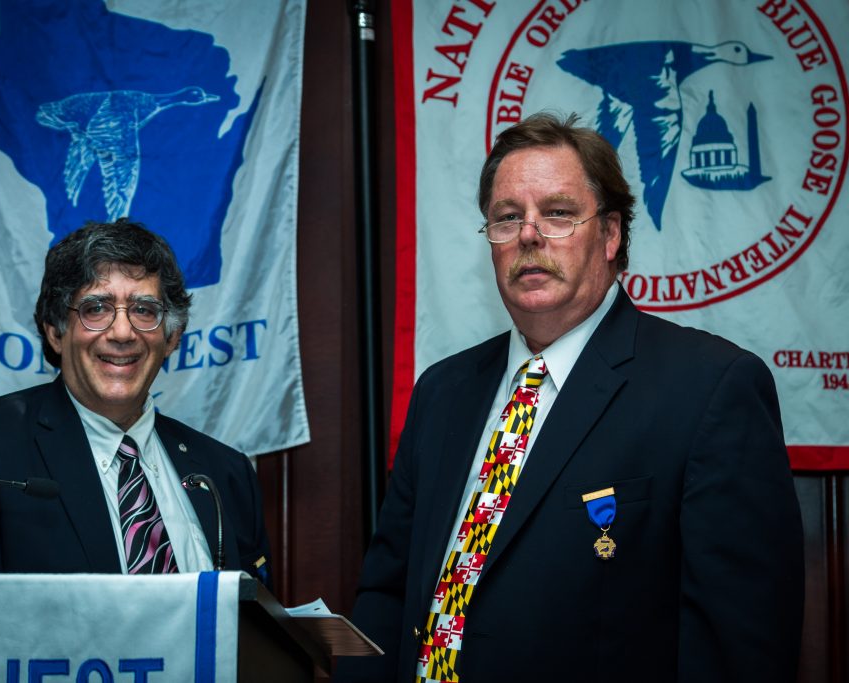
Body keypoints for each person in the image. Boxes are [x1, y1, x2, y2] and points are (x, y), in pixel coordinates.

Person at [336, 112, 803, 682]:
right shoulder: (442, 391)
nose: (529, 235)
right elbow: (387, 594)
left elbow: (739, 647)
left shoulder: (710, 387)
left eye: (557, 213)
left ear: (610, 234)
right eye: (508, 217)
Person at [0, 218, 271, 583]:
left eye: (144, 310)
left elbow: (259, 621)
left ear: (172, 338)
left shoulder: (228, 474)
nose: (122, 332)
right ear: (56, 332)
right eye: (96, 308)